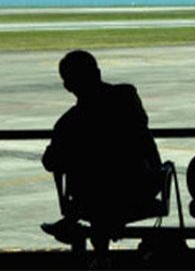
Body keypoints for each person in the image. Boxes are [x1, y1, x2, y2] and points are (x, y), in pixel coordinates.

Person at [41, 50, 162, 257]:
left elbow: (51, 162)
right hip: (140, 190)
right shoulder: (127, 97)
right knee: (105, 189)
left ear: (68, 86)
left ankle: (97, 251)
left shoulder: (69, 123)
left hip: (92, 199)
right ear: (97, 72)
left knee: (96, 191)